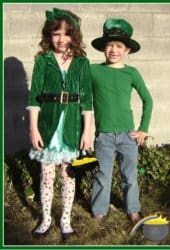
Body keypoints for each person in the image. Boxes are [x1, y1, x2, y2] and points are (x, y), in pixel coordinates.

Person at [27, 8, 92, 239]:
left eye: (66, 34)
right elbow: (34, 97)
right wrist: (33, 128)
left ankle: (65, 220)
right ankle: (45, 218)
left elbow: (87, 99)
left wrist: (88, 130)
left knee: (69, 174)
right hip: (48, 126)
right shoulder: (43, 61)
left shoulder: (82, 62)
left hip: (72, 126)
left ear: (74, 36)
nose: (61, 39)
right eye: (56, 34)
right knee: (46, 175)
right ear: (48, 35)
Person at [90, 18, 153, 224]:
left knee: (130, 176)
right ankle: (99, 212)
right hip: (104, 135)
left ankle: (133, 210)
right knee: (102, 176)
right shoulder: (93, 71)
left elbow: (148, 100)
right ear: (103, 48)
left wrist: (143, 129)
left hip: (128, 135)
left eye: (119, 46)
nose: (114, 50)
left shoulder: (131, 73)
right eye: (110, 45)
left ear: (127, 50)